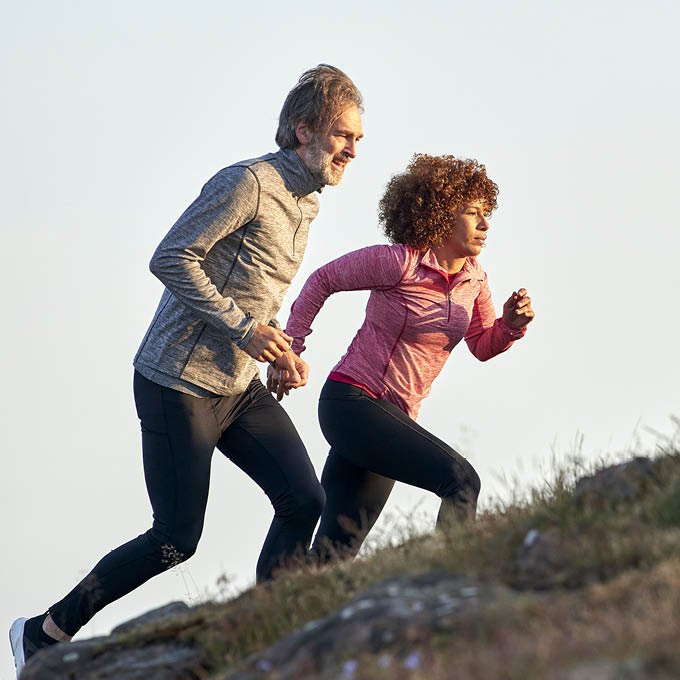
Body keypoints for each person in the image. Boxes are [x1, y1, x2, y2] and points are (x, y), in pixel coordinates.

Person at [10, 64, 364, 677]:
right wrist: (245, 329)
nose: (352, 151)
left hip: (238, 385)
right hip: (177, 380)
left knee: (303, 498)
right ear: (303, 130)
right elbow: (171, 257)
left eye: (359, 140)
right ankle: (44, 632)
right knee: (176, 538)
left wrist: (276, 350)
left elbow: (256, 287)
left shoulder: (306, 202)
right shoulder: (248, 183)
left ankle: (266, 634)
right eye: (342, 135)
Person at [272, 154, 534, 561]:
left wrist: (511, 325)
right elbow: (323, 279)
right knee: (461, 480)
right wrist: (292, 347)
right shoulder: (400, 262)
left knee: (337, 552)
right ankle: (450, 578)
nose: (485, 225)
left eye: (487, 215)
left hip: (394, 419)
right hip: (352, 403)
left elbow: (482, 344)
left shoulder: (475, 278)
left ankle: (275, 604)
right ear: (441, 213)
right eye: (473, 213)